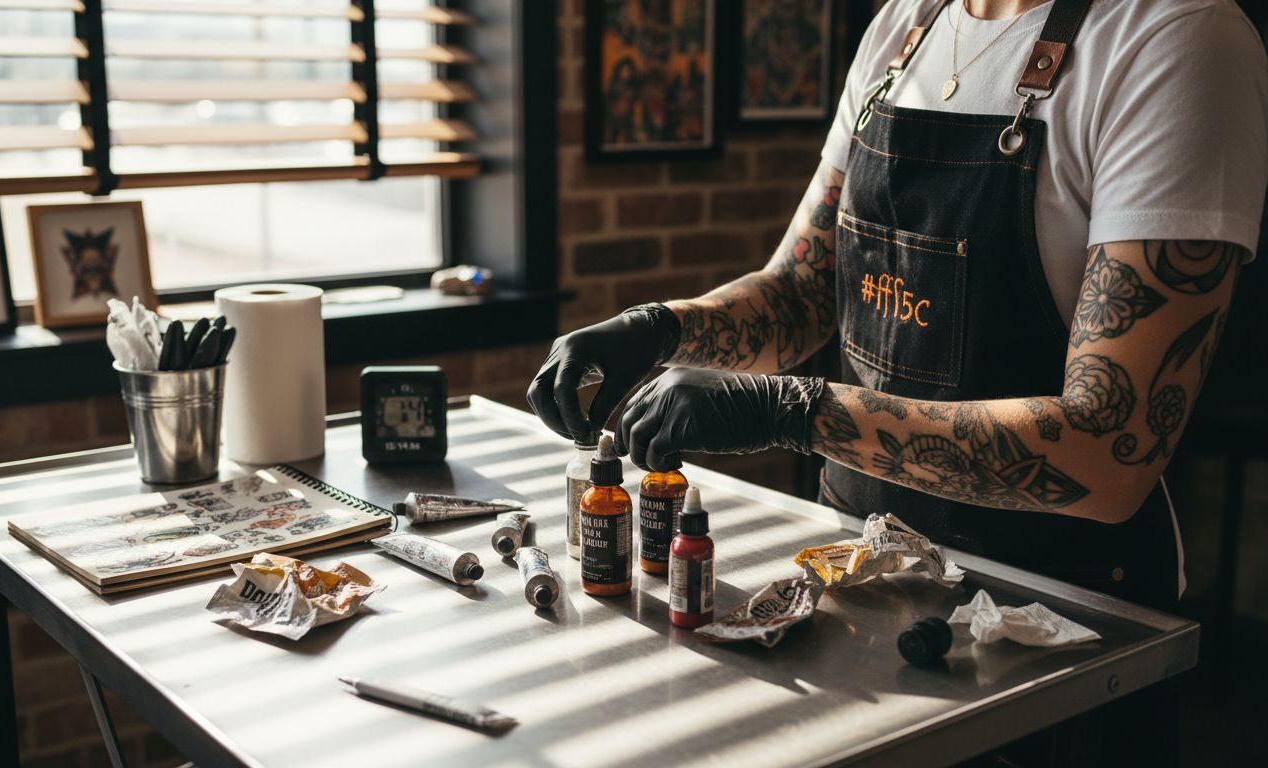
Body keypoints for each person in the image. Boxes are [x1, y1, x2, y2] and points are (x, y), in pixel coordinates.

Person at [530, 1, 1266, 762]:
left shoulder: (1174, 41)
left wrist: (798, 412)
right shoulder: (905, 24)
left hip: (1057, 629)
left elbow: (1109, 446)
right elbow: (802, 293)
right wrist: (659, 328)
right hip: (860, 580)